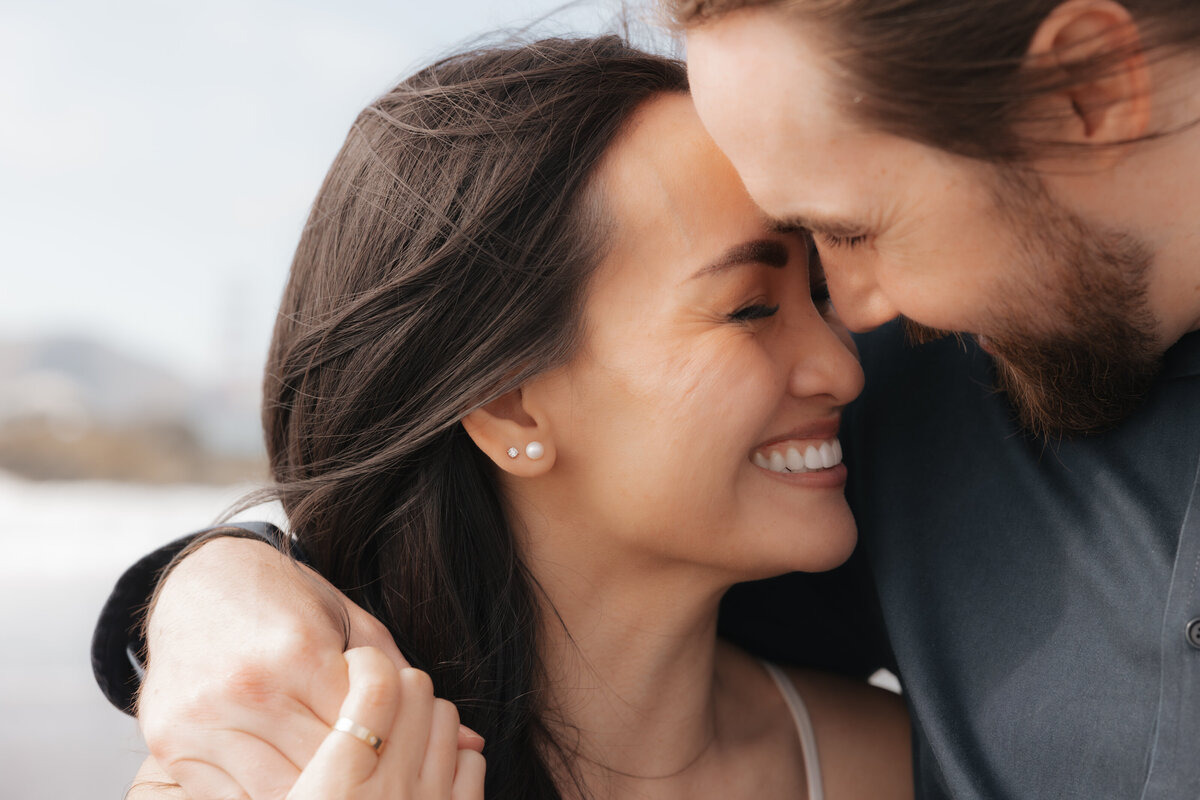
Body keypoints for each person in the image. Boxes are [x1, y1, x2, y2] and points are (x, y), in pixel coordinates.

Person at [96, 0, 1200, 796]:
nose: (854, 342)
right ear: (512, 401)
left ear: (1091, 88)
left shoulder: (879, 748)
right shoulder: (957, 375)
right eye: (765, 298)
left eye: (849, 238)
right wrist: (205, 589)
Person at [113, 35, 911, 800]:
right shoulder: (263, 777)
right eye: (749, 309)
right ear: (509, 402)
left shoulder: (896, 766)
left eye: (818, 296)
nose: (843, 368)